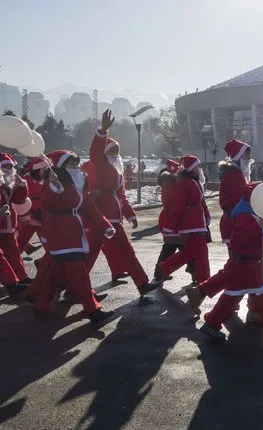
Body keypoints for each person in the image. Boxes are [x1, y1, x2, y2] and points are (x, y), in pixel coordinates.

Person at [199, 186, 263, 341]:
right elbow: (242, 241)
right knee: (234, 299)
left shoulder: (254, 215)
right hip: (244, 267)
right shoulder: (243, 216)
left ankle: (211, 324)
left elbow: (262, 242)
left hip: (250, 267)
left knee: (246, 298)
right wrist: (259, 225)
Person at [85, 110, 158, 296]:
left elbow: (121, 197)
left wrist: (131, 214)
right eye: (112, 150)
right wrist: (103, 131)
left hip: (114, 219)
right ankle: (75, 288)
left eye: (117, 149)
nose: (116, 152)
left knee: (127, 252)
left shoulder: (118, 172)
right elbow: (94, 153)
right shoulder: (101, 164)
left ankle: (142, 284)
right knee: (90, 255)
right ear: (105, 152)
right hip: (101, 219)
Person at [37, 150, 115, 324]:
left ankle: (41, 303)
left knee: (57, 272)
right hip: (61, 231)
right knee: (78, 272)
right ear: (62, 166)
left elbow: (89, 207)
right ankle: (92, 309)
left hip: (74, 231)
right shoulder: (54, 183)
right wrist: (53, 188)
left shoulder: (77, 185)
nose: (75, 164)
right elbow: (45, 203)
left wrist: (105, 226)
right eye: (70, 162)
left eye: (76, 161)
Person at [184, 138, 251, 314]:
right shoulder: (233, 175)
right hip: (235, 225)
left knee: (243, 265)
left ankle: (259, 303)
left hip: (238, 224)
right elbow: (234, 200)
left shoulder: (237, 173)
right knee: (240, 265)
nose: (250, 157)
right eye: (247, 153)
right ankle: (256, 304)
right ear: (238, 156)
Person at [156, 155, 211, 284]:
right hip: (191, 224)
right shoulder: (185, 183)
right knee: (192, 251)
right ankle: (201, 280)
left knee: (194, 251)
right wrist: (169, 225)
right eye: (197, 167)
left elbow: (201, 203)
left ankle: (201, 279)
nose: (200, 170)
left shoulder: (191, 182)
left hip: (196, 223)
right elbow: (177, 206)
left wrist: (206, 217)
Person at [153, 159, 195, 281]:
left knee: (170, 248)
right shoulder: (174, 189)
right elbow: (177, 205)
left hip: (170, 222)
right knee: (184, 250)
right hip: (174, 223)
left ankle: (160, 272)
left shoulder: (168, 188)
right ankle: (192, 270)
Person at [0, 153, 31, 291]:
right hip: (1, 219)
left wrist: (21, 185)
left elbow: (19, 200)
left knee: (13, 251)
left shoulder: (10, 182)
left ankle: (21, 277)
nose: (8, 169)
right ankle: (11, 282)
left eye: (10, 166)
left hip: (8, 221)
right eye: (4, 166)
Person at [17, 159, 46, 255]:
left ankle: (44, 262)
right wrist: (28, 217)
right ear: (37, 170)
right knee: (20, 241)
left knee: (49, 243)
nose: (45, 171)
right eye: (43, 169)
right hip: (30, 215)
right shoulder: (26, 180)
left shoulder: (45, 180)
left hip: (42, 214)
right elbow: (22, 200)